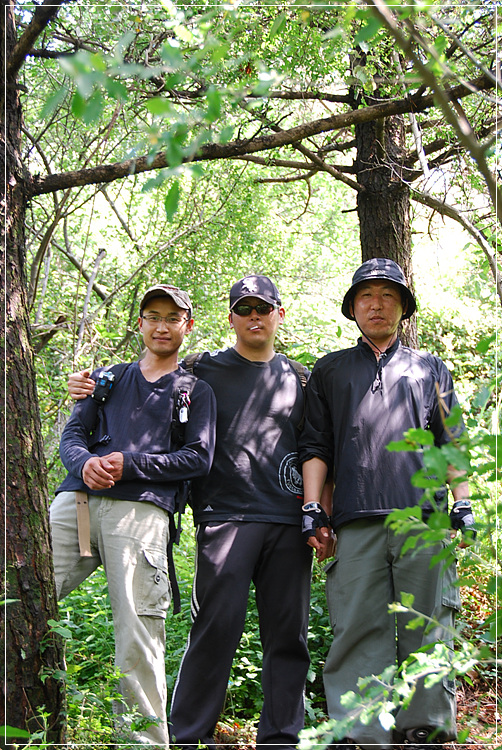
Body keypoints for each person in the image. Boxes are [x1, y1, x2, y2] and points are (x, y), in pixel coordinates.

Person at [68, 275, 316, 750]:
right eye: (245, 309)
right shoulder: (202, 372)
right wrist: (90, 381)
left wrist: (316, 513)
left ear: (279, 315)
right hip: (223, 517)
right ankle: (187, 736)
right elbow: (148, 377)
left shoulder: (301, 378)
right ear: (231, 319)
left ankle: (282, 738)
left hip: (286, 522)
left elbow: (315, 448)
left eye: (264, 309)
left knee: (289, 637)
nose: (255, 317)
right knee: (213, 631)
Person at [299, 258, 476, 750]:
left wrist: (462, 503)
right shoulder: (330, 370)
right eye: (366, 296)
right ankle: (360, 732)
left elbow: (452, 443)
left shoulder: (430, 368)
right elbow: (316, 447)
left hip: (424, 521)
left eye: (388, 296)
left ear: (402, 307)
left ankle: (426, 726)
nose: (376, 304)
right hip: (354, 523)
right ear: (353, 307)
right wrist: (313, 508)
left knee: (429, 624)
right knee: (357, 627)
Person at [51, 284, 216, 747]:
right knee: (20, 594)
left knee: (138, 639)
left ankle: (144, 744)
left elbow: (199, 457)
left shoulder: (194, 390)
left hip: (142, 515)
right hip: (76, 504)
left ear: (187, 324)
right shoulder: (106, 380)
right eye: (152, 316)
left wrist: (132, 464)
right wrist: (83, 463)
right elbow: (72, 435)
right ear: (140, 323)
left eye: (172, 317)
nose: (162, 326)